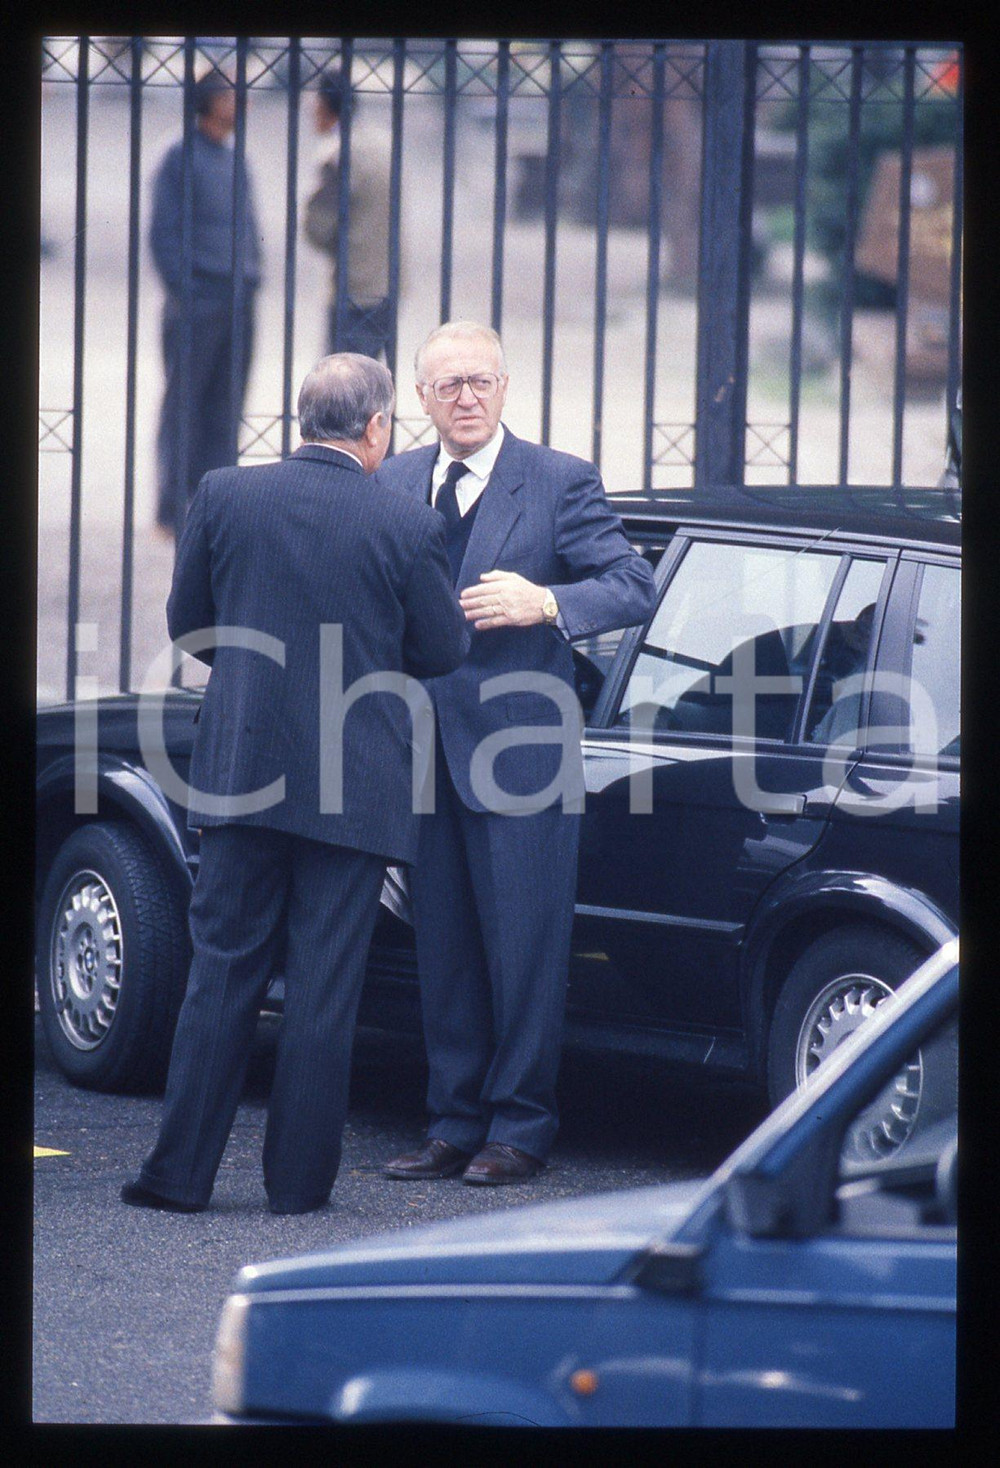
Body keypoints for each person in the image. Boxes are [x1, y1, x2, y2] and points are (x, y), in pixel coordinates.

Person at [121, 354, 469, 1215]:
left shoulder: (225, 494)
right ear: (377, 427)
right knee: (324, 988)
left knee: (221, 972)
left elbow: (187, 626)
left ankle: (177, 1177)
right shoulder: (407, 525)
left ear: (300, 417)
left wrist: (250, 672)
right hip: (355, 788)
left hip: (242, 770)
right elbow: (444, 651)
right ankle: (299, 1187)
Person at [379, 320, 657, 1186]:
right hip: (423, 754)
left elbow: (634, 585)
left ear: (505, 389)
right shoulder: (392, 479)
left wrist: (547, 600)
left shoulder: (557, 481)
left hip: (523, 756)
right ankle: (454, 1122)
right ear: (419, 400)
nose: (467, 398)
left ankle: (521, 1129)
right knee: (446, 949)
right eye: (448, 386)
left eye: (482, 383)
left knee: (525, 950)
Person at [150, 67, 261, 536]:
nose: (243, 102)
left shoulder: (235, 158)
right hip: (199, 297)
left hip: (239, 295)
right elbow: (163, 231)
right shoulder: (179, 156)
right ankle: (173, 507)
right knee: (187, 403)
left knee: (227, 403)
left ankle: (215, 504)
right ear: (211, 100)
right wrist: (186, 287)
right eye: (233, 94)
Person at [304, 68, 395, 360]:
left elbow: (316, 227)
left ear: (323, 104)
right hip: (387, 283)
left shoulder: (338, 152)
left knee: (343, 383)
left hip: (353, 286)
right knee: (372, 379)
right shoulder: (382, 143)